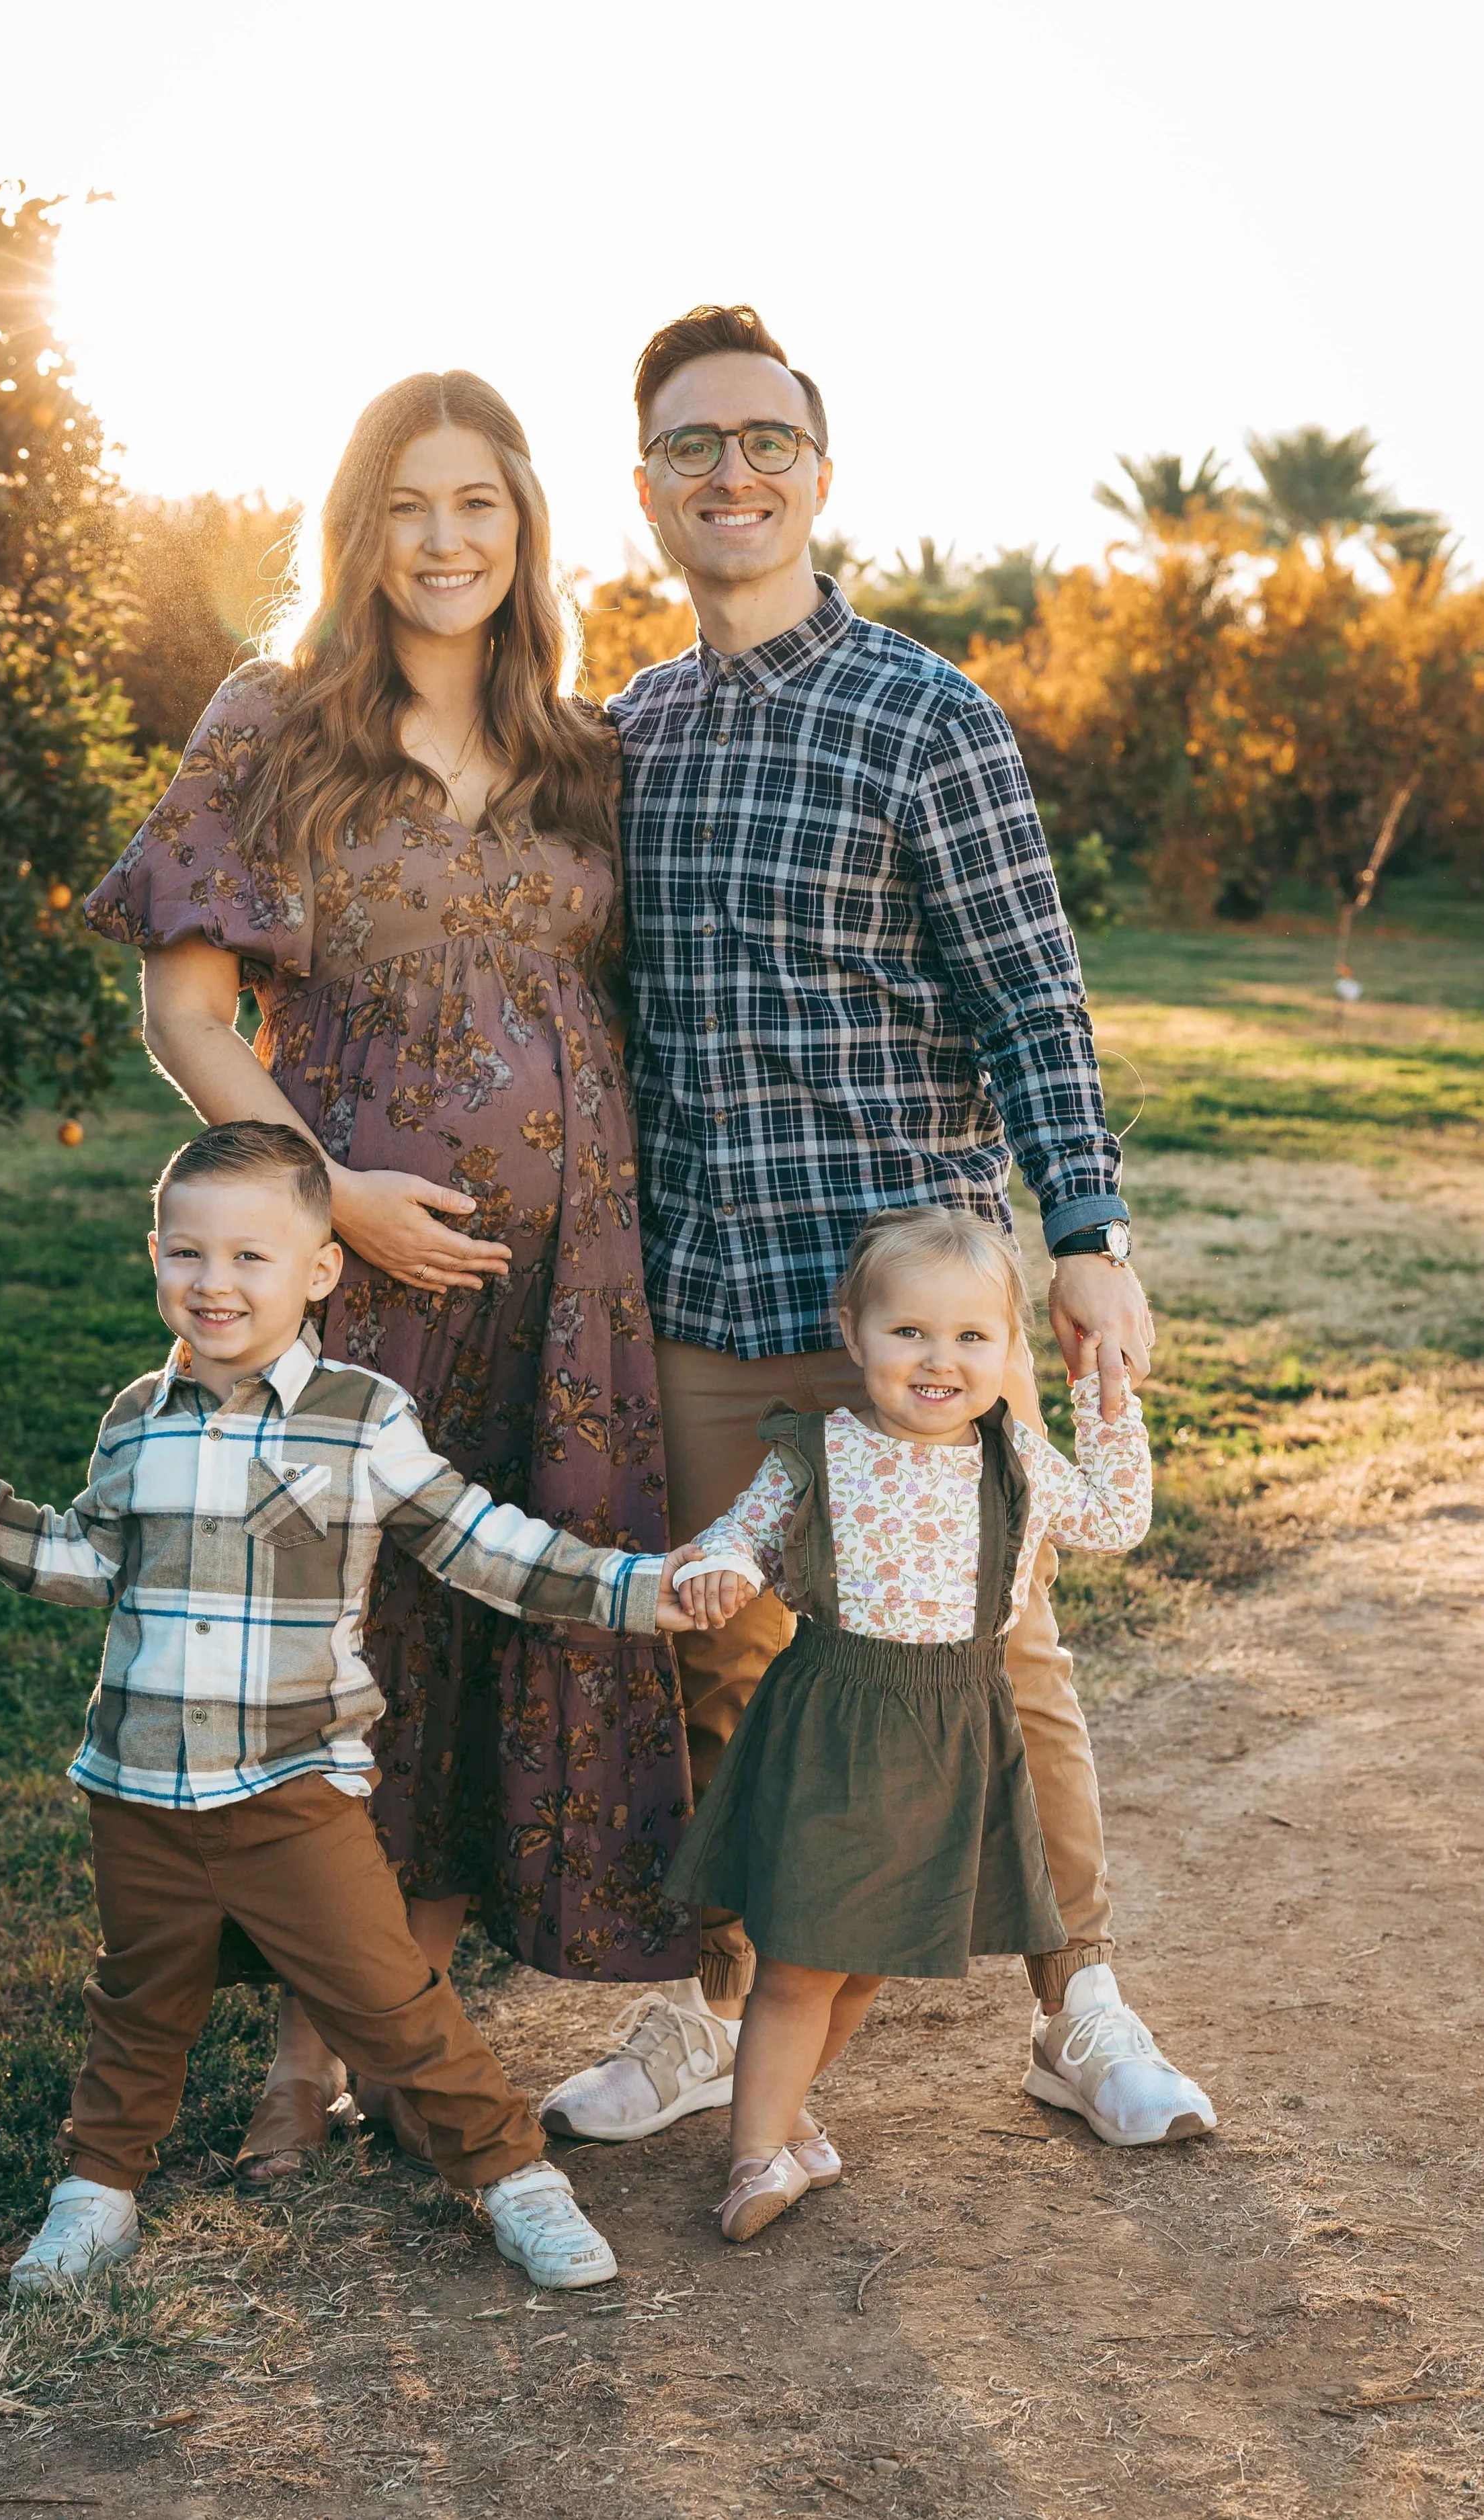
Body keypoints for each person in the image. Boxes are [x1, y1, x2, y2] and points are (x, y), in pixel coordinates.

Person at [540, 303, 1217, 2152]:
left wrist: (1085, 1230)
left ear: (818, 473)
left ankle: (1076, 2005)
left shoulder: (927, 715)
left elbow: (1029, 995)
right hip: (711, 1287)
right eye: (693, 445)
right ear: (646, 488)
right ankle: (715, 2008)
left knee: (999, 1659)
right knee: (722, 1661)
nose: (731, 472)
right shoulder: (624, 736)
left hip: (919, 1311)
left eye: (764, 439)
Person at [85, 372, 696, 2181]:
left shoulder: (580, 747)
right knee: (354, 1634)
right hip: (358, 1260)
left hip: (570, 1283)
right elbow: (186, 1008)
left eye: (478, 504)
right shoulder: (275, 722)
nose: (445, 539)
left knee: (493, 1622)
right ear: (359, 528)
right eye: (409, 504)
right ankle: (307, 2052)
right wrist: (335, 1200)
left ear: (523, 527)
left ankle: (398, 2032)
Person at [0, 1122, 700, 2296]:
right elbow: (86, 1561)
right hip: (141, 1787)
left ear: (319, 1270)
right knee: (138, 2002)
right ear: (155, 1256)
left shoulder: (361, 1416)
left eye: (250, 1257)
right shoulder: (137, 1416)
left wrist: (632, 1587)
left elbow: (478, 1543)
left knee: (391, 2000)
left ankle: (515, 2176)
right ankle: (97, 2192)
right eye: (187, 1253)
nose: (214, 1282)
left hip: (291, 1786)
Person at [665, 1208, 1178, 2240]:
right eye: (909, 1332)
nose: (940, 1359)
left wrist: (1106, 1399)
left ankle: (788, 2113)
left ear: (1008, 1348)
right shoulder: (819, 1451)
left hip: (951, 1741)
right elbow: (743, 1534)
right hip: (832, 1733)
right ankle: (755, 2155)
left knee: (866, 1960)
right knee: (801, 1956)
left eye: (971, 1336)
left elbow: (1116, 1520)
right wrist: (718, 1564)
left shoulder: (1015, 1458)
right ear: (852, 1333)